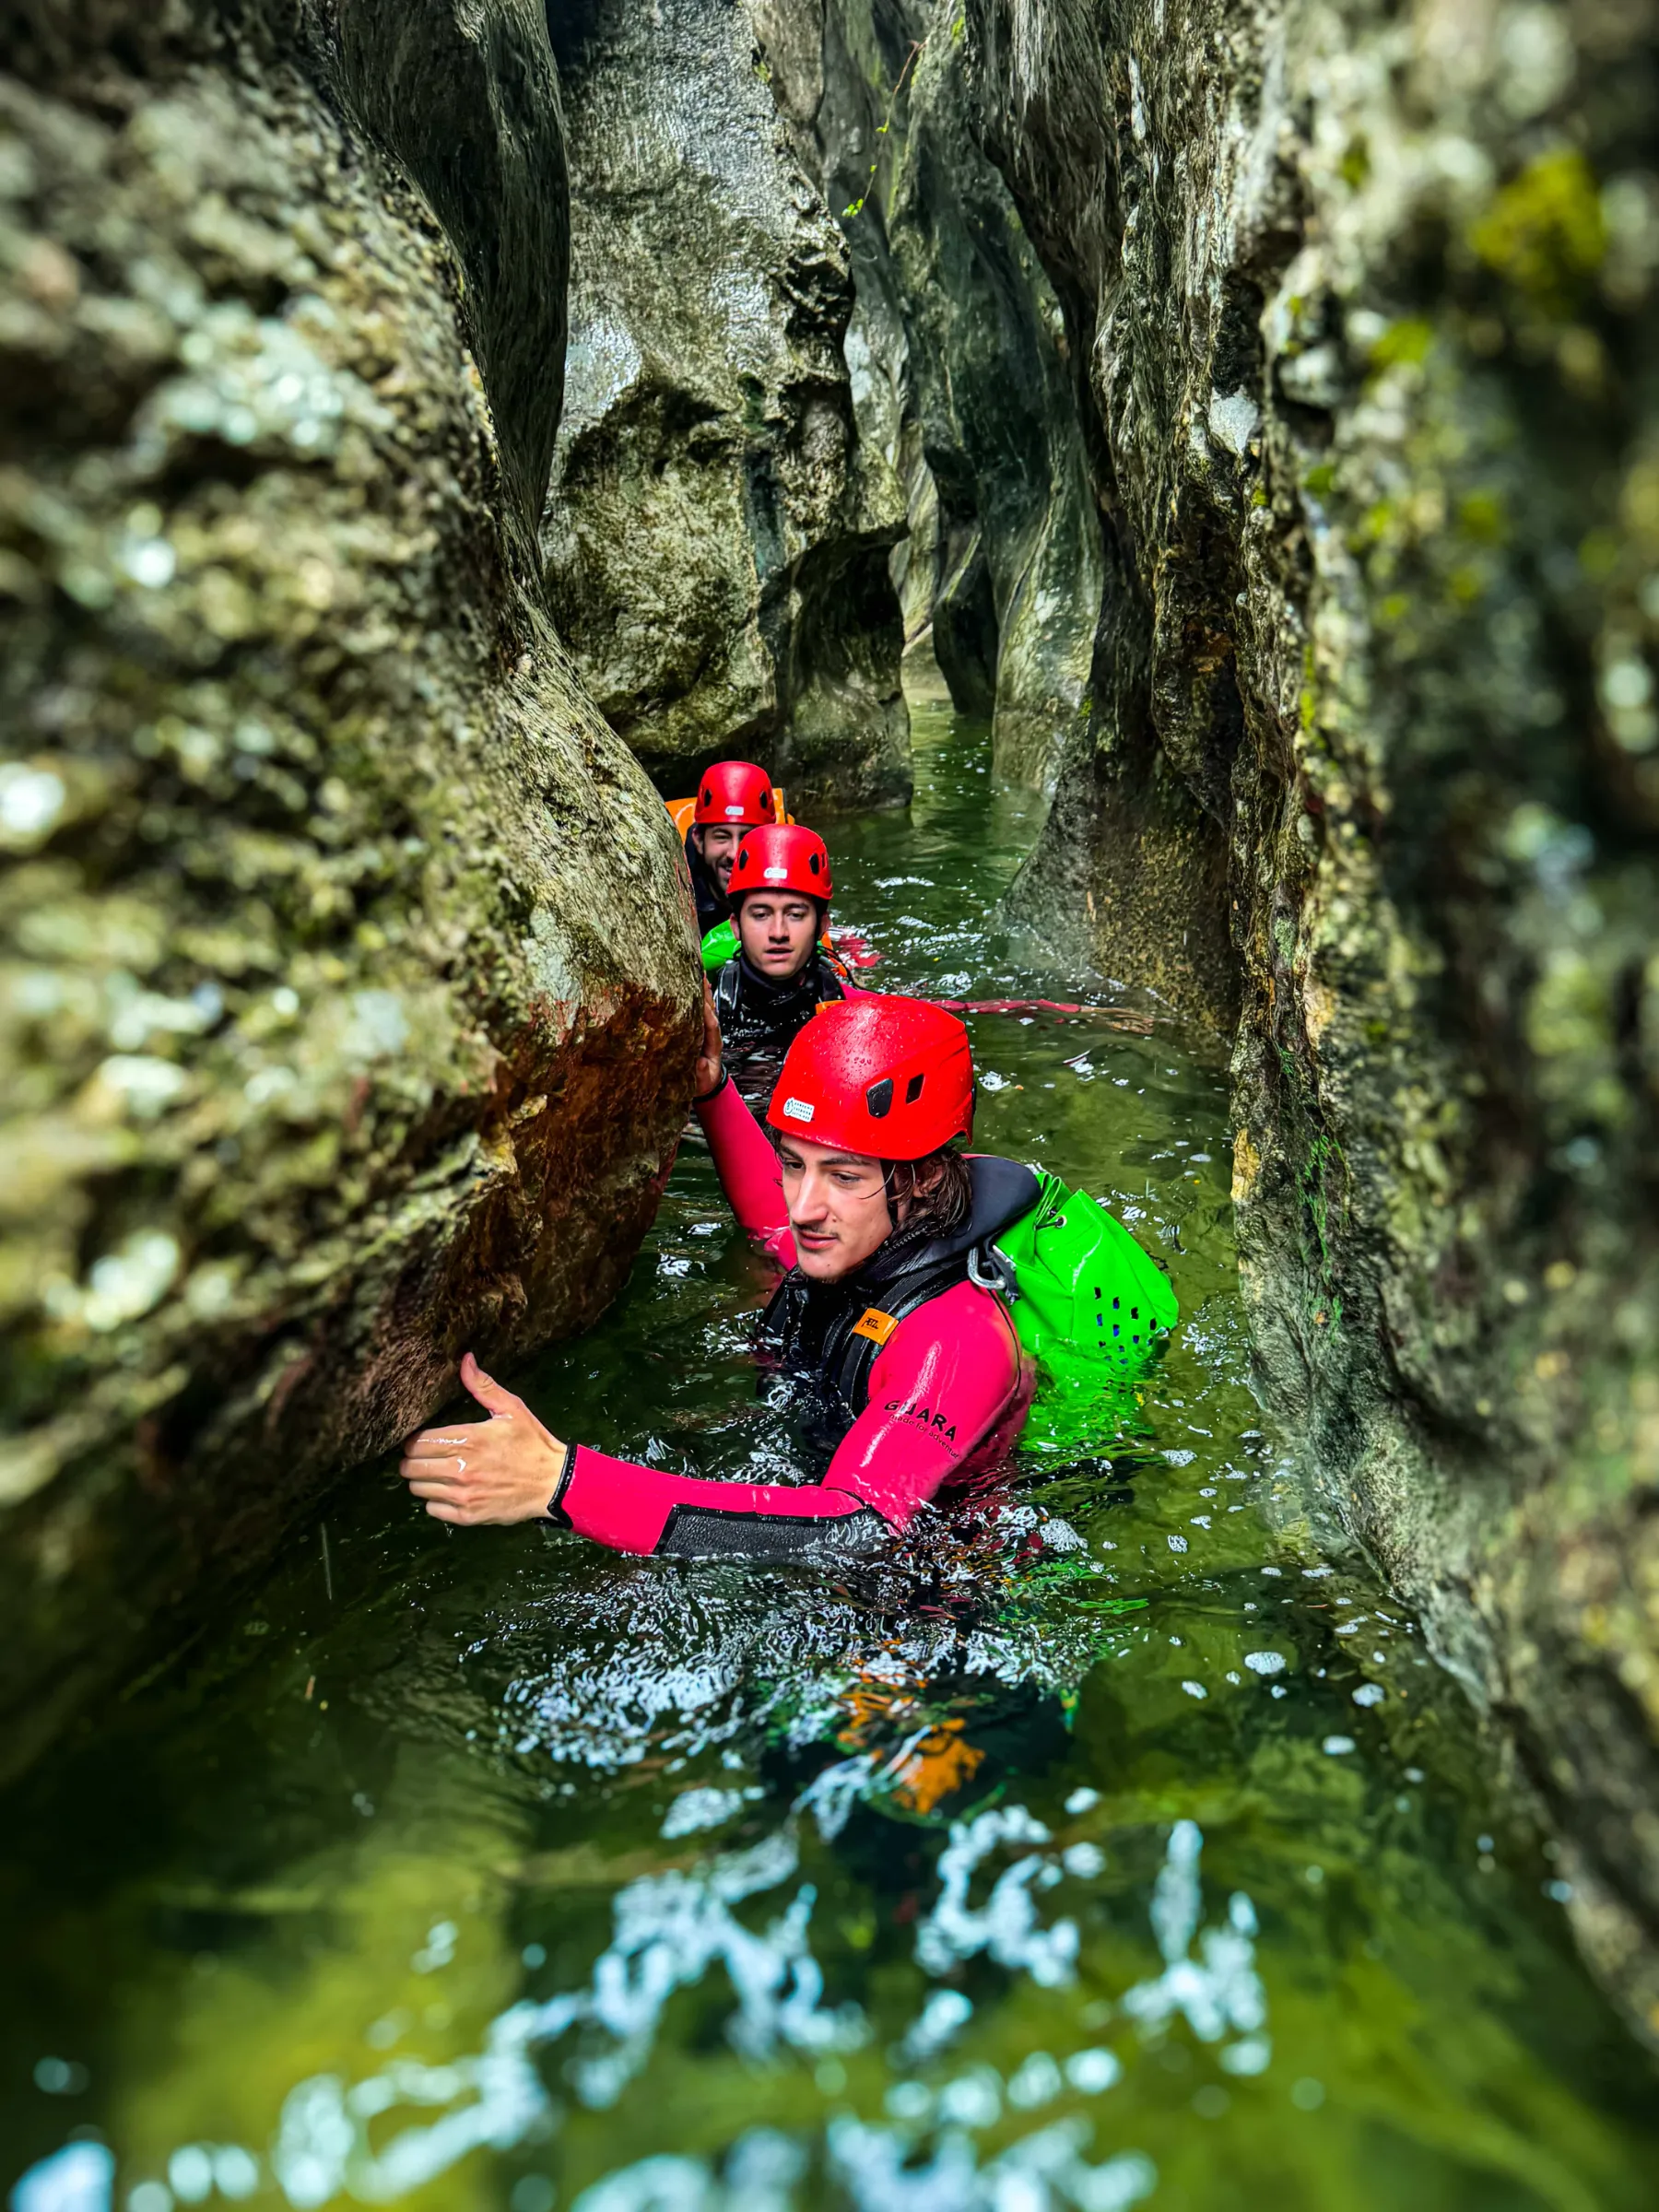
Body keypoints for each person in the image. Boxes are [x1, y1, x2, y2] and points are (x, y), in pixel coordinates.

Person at [400, 994, 1041, 1561]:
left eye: (843, 1176)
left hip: (943, 1600)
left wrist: (561, 1482)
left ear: (922, 1179)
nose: (805, 1206)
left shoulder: (958, 1337)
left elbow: (857, 1526)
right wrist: (712, 1088)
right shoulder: (868, 1238)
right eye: (795, 1163)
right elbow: (772, 1225)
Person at [712, 823, 855, 1095]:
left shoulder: (836, 1004)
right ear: (736, 926)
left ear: (822, 926)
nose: (778, 933)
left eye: (795, 914)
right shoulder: (711, 1005)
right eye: (761, 915)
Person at [677, 759, 779, 941]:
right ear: (699, 841)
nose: (734, 853)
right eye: (722, 837)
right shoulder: (676, 901)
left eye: (747, 837)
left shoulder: (790, 885)